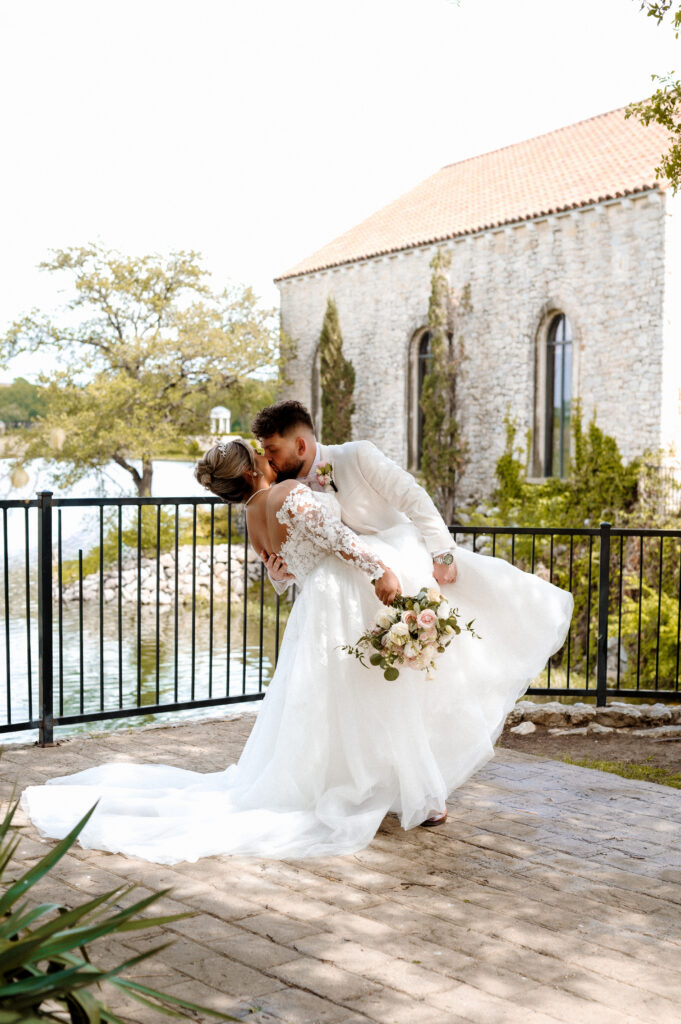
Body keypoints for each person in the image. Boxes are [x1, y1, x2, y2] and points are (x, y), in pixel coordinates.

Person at [21, 423, 573, 864]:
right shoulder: (287, 494)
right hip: (347, 595)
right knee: (377, 696)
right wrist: (378, 568)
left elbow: (282, 575)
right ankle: (406, 794)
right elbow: (338, 538)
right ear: (255, 466)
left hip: (316, 606)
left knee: (339, 702)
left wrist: (308, 570)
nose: (271, 458)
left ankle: (387, 788)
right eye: (261, 454)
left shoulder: (251, 518)